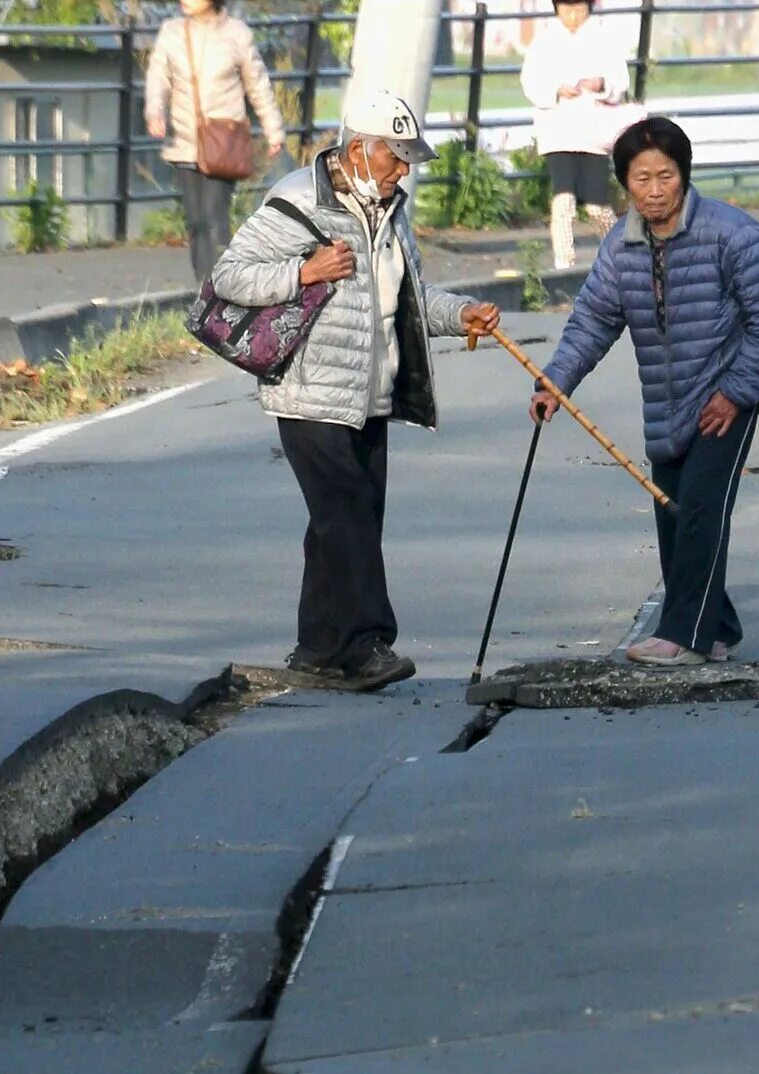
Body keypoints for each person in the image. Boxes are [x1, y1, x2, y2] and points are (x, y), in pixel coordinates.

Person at [211, 90, 502, 691]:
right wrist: (302, 271)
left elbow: (411, 300)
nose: (403, 171)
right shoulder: (297, 201)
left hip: (370, 393)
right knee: (347, 514)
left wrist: (463, 313)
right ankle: (367, 643)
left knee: (341, 519)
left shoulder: (389, 213)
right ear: (359, 150)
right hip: (310, 391)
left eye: (407, 160)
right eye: (395, 158)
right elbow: (229, 276)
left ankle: (318, 648)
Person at [531, 117, 759, 668]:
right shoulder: (620, 248)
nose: (654, 191)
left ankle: (684, 637)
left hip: (726, 398)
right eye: (641, 179)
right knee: (675, 514)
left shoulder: (732, 234)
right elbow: (593, 322)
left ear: (684, 175)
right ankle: (717, 625)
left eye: (665, 177)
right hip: (665, 404)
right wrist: (555, 382)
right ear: (624, 183)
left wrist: (738, 392)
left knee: (701, 507)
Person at [145, 0, 285, 281]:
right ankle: (203, 286)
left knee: (214, 217)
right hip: (184, 140)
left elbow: (257, 84)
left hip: (224, 142)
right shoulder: (171, 32)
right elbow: (157, 77)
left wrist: (273, 129)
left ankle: (220, 286)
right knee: (195, 220)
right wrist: (154, 112)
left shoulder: (237, 34)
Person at [521, 0, 630, 270]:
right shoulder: (544, 41)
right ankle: (564, 263)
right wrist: (557, 89)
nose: (572, 15)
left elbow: (620, 80)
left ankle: (618, 254)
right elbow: (530, 81)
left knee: (597, 206)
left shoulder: (604, 38)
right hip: (557, 131)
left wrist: (601, 83)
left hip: (593, 133)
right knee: (563, 201)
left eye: (579, 8)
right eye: (567, 8)